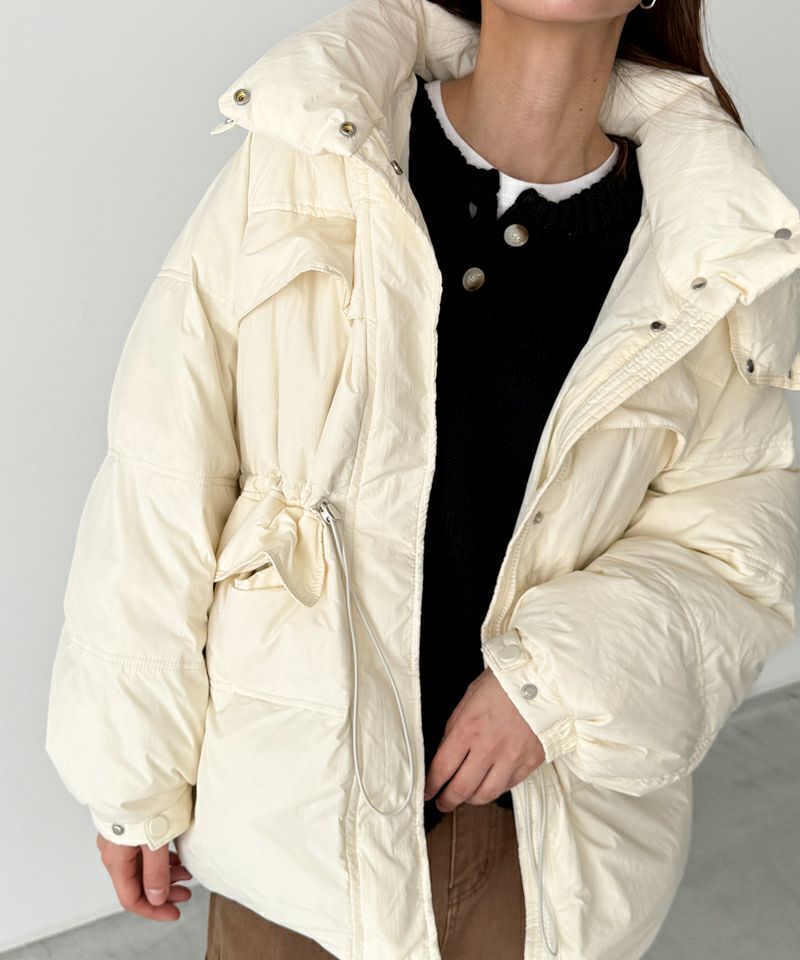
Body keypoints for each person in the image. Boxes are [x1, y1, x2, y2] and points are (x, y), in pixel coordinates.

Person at [45, 0, 800, 957]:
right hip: (291, 823)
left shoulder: (710, 244)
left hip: (532, 845)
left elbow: (732, 549)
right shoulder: (312, 150)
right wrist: (130, 776)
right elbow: (163, 471)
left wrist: (553, 682)